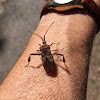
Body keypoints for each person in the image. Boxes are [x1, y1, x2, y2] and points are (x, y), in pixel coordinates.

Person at [0, 0, 100, 99]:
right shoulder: (48, 47)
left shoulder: (41, 49)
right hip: (50, 59)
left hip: (45, 60)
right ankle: (63, 65)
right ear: (47, 46)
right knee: (60, 55)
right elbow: (52, 46)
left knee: (33, 54)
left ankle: (29, 63)